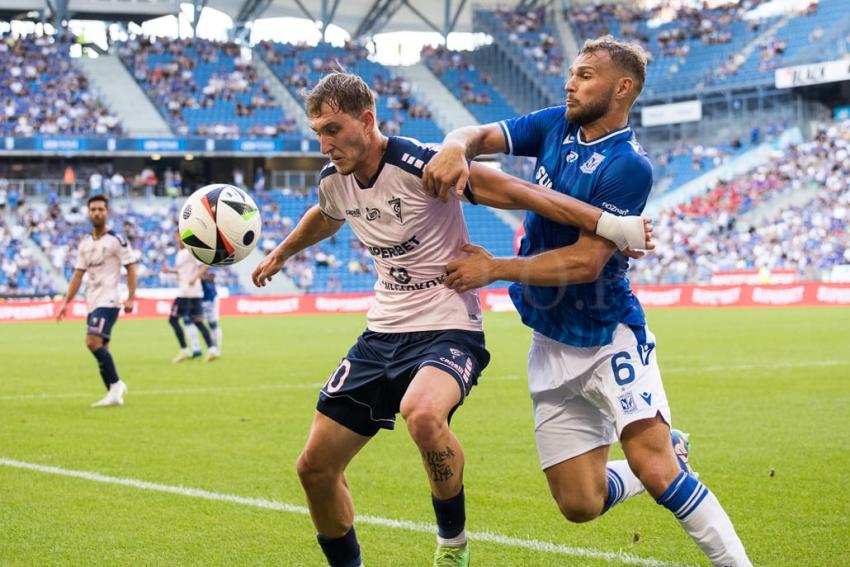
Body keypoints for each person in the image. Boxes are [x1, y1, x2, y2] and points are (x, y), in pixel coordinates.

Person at [252, 71, 651, 567]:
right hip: (381, 333)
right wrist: (281, 254)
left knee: (421, 413)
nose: (325, 143)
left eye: (333, 129)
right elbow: (327, 214)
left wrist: (607, 224)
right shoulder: (333, 180)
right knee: (314, 468)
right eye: (318, 133)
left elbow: (515, 190)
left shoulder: (423, 165)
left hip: (449, 327)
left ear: (367, 120)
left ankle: (452, 544)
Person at [425, 37, 751, 567]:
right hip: (550, 342)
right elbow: (477, 134)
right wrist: (454, 146)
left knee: (657, 471)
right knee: (579, 504)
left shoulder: (628, 166)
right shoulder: (557, 124)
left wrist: (495, 269)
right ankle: (676, 448)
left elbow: (583, 264)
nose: (569, 83)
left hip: (607, 334)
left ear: (621, 88)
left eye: (583, 75)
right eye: (571, 73)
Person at [56, 195, 137, 408]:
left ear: (107, 212)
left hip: (109, 300)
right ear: (88, 213)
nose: (97, 213)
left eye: (101, 209)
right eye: (93, 209)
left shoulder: (117, 240)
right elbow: (77, 275)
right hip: (92, 301)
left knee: (92, 342)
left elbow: (131, 268)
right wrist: (66, 302)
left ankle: (117, 384)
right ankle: (113, 394)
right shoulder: (84, 245)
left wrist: (131, 297)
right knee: (103, 347)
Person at [163, 232, 219, 363]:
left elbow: (205, 264)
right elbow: (182, 270)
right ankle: (212, 350)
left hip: (186, 292)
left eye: (180, 236)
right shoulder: (180, 253)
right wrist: (169, 271)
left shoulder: (191, 251)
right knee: (198, 321)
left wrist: (194, 278)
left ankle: (185, 350)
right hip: (195, 292)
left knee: (173, 320)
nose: (178, 239)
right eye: (177, 236)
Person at [201, 271, 223, 354]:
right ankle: (210, 348)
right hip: (201, 300)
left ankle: (216, 348)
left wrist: (196, 275)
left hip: (211, 300)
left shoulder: (207, 264)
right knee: (198, 324)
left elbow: (212, 276)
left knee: (213, 324)